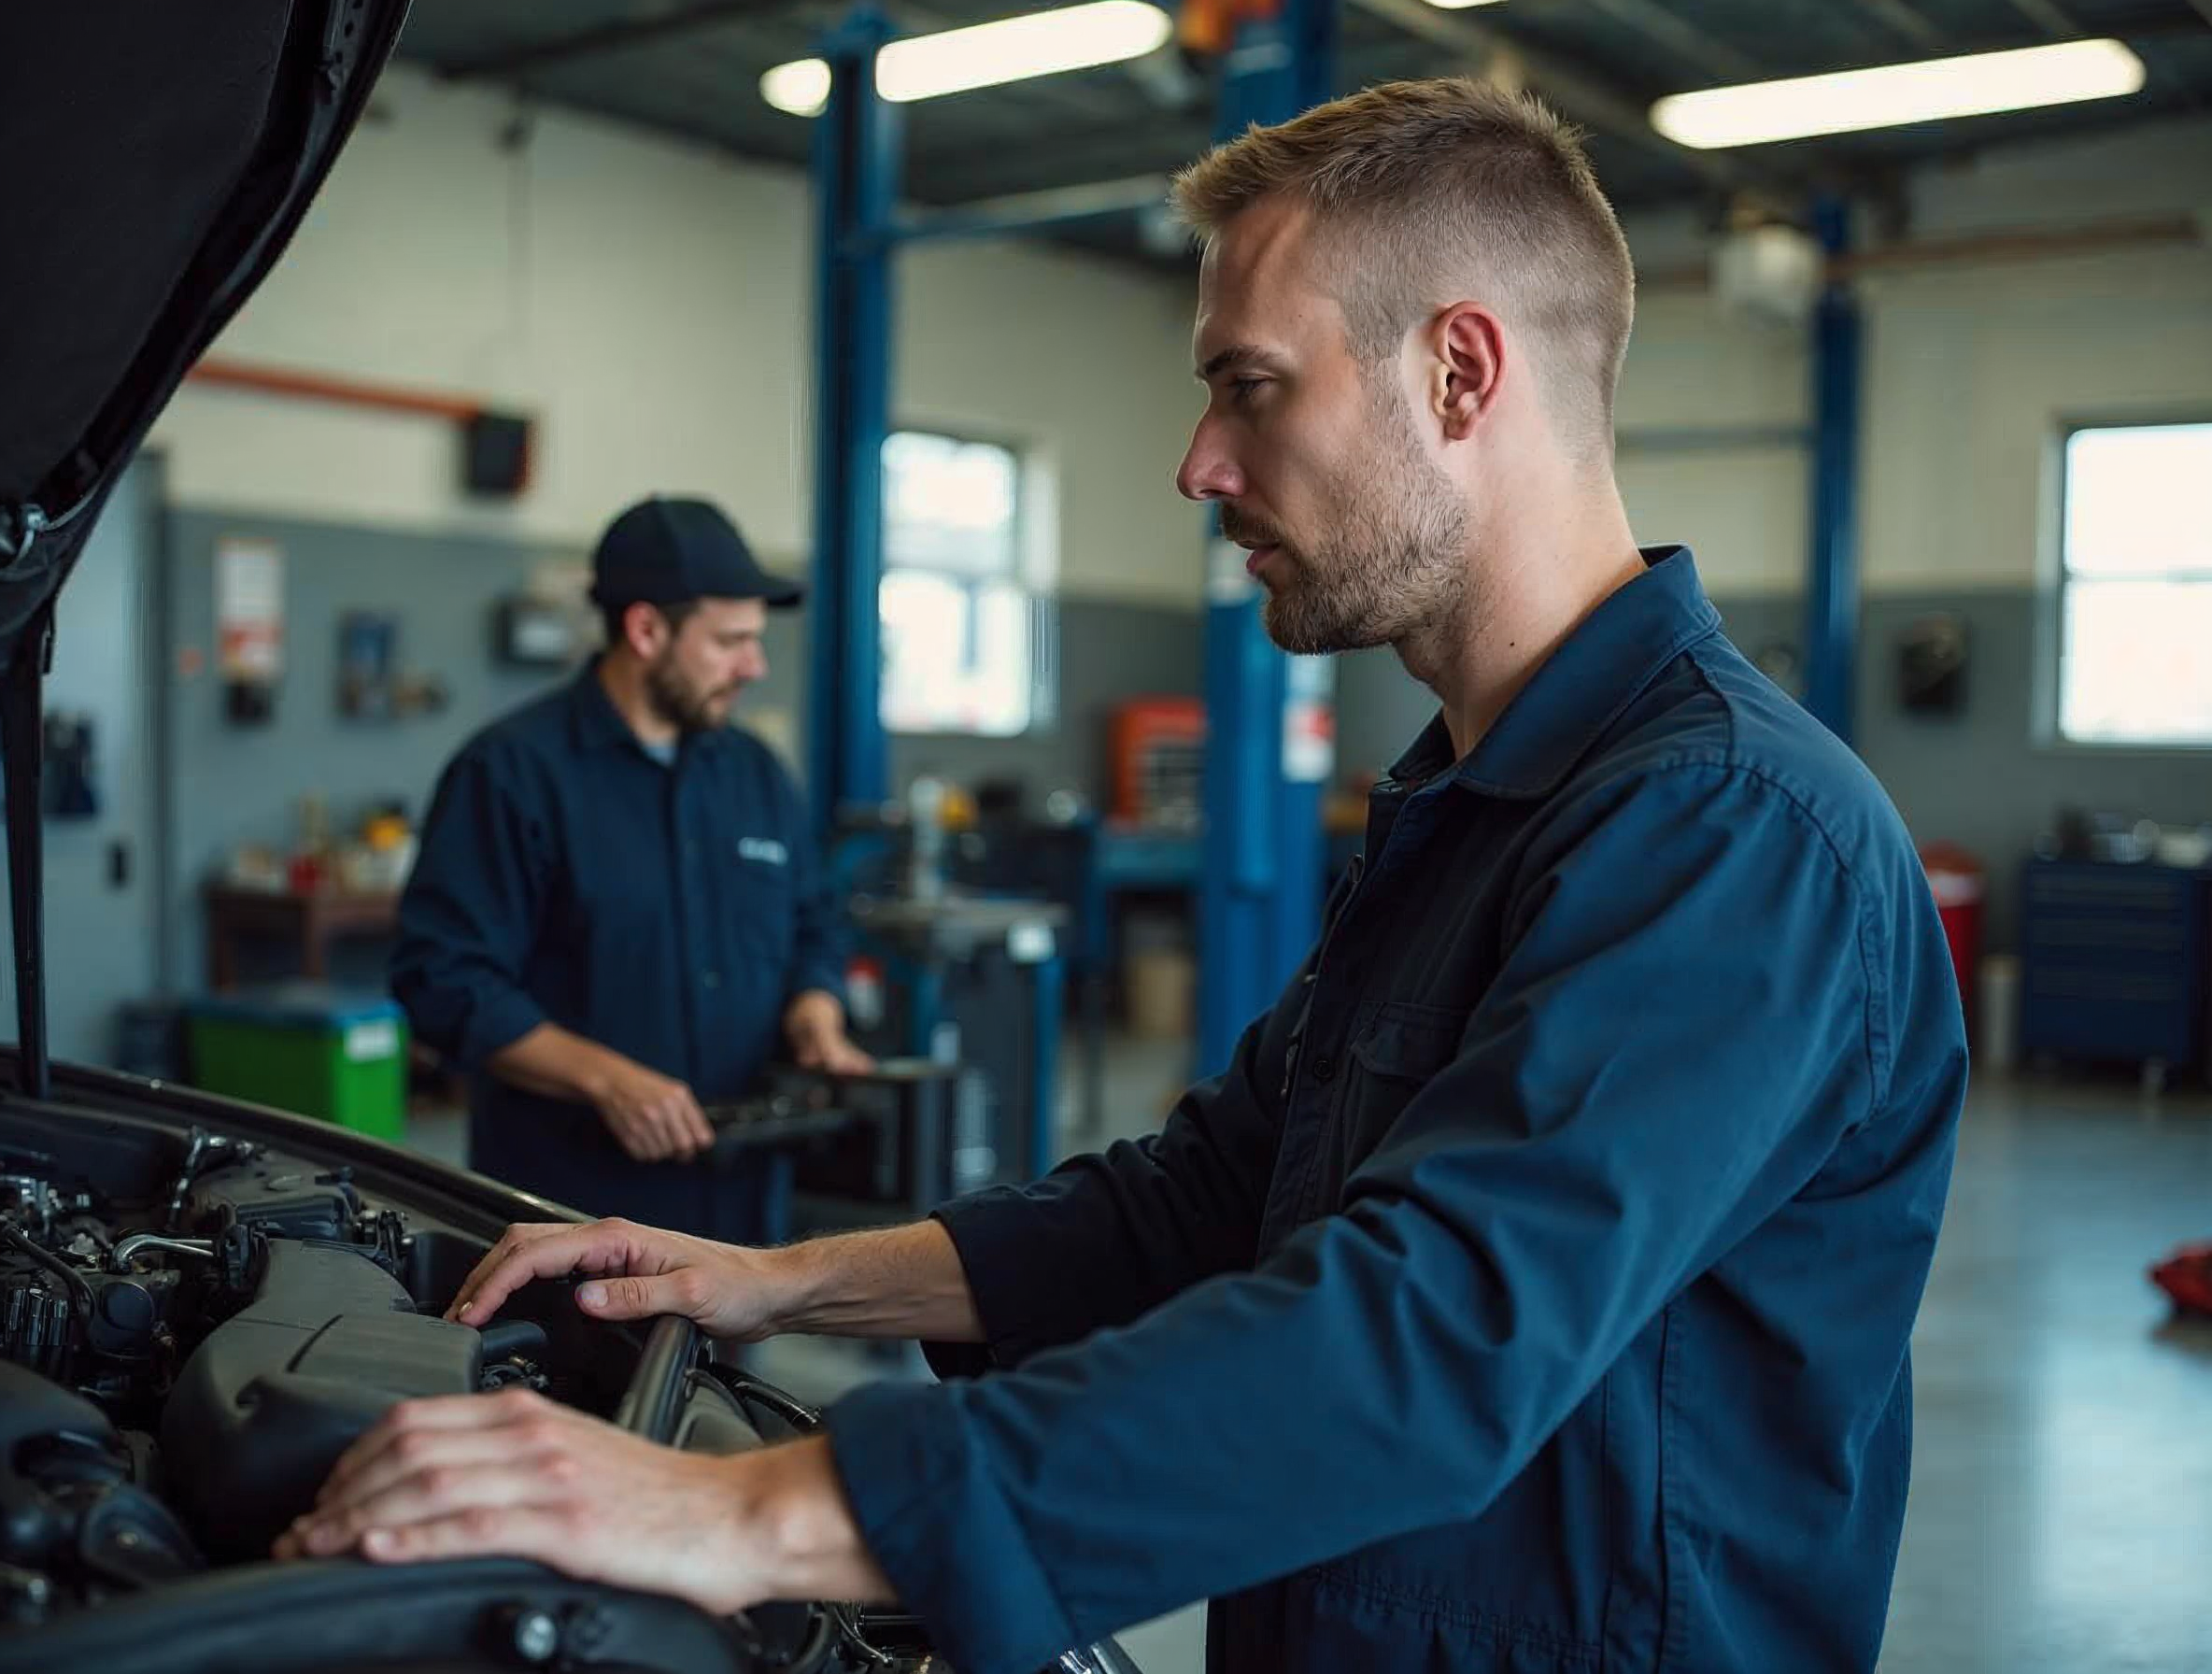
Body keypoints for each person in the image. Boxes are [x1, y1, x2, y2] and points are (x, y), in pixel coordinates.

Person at [294, 82, 1967, 1674]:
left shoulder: (1730, 835)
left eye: (1248, 386)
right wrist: (784, 1279)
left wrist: (749, 1511)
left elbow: (1424, 1340)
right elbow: (1199, 1202)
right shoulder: (1470, 809)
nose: (1196, 465)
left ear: (1459, 372)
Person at [390, 495, 872, 1242]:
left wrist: (816, 1006)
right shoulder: (513, 774)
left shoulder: (756, 775)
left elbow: (814, 920)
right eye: (730, 642)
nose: (756, 665)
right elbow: (443, 979)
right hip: (571, 1214)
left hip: (739, 1216)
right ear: (646, 629)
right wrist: (605, 1079)